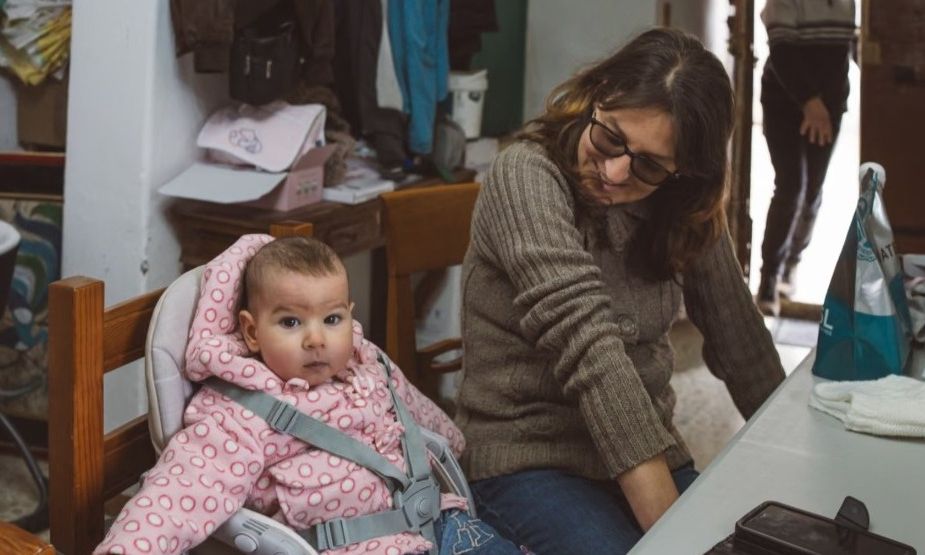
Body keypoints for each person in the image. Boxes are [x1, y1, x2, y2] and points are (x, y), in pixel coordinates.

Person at [454, 27, 786, 554]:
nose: (613, 171)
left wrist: (795, 459)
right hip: (527, 459)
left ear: (683, 174)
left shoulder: (682, 204)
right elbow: (592, 353)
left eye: (649, 166)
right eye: (610, 138)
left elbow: (740, 339)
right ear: (600, 93)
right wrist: (674, 540)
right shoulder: (526, 175)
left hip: (646, 449)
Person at [95, 235, 529, 555]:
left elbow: (413, 411)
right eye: (290, 322)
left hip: (445, 526)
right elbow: (182, 489)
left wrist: (456, 445)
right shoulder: (238, 414)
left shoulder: (366, 365)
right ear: (251, 331)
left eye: (332, 319)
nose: (317, 339)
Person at [756, 0, 857, 315]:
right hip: (784, 103)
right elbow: (782, 52)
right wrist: (810, 103)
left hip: (831, 106)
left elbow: (850, 45)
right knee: (791, 187)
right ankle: (769, 276)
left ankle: (791, 262)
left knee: (813, 189)